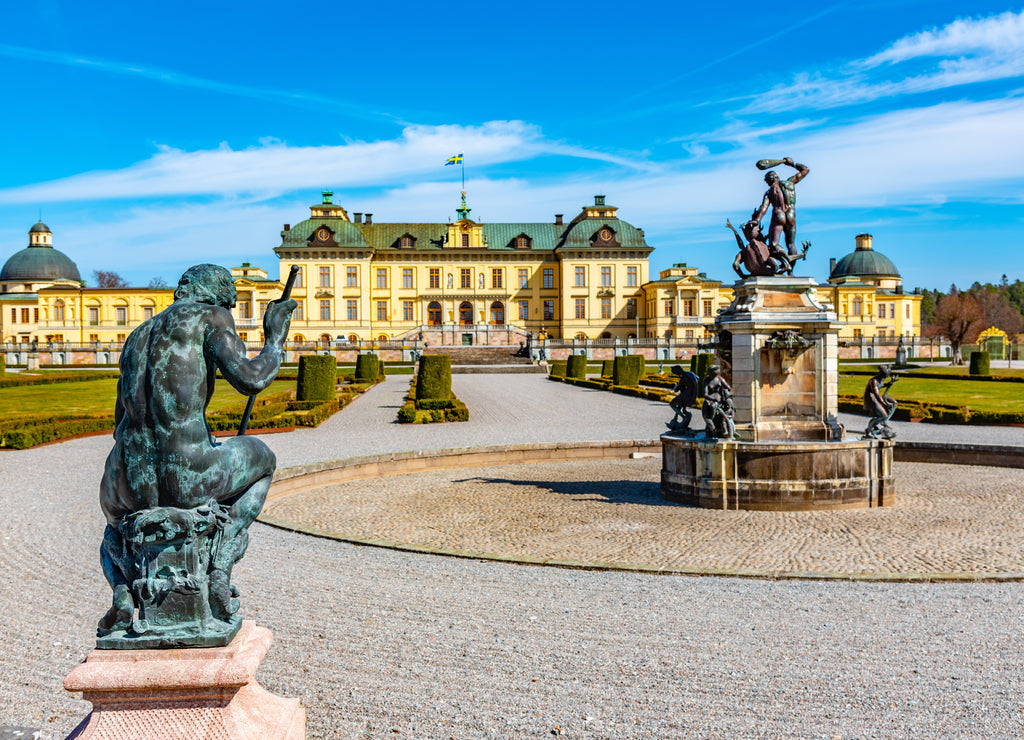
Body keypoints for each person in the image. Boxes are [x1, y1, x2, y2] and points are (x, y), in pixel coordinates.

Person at [98, 264, 296, 634]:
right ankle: (220, 567)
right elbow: (252, 379)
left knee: (114, 529)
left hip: (122, 484)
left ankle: (123, 595)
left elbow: (117, 423)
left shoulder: (138, 334)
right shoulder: (212, 317)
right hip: (188, 476)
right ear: (221, 296)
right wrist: (274, 339)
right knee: (265, 461)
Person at [754, 157, 809, 255]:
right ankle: (790, 270)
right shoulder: (790, 183)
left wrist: (757, 220)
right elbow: (805, 170)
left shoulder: (770, 192)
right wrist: (792, 163)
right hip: (791, 214)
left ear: (771, 179)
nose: (767, 184)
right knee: (791, 244)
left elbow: (764, 207)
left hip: (779, 214)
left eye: (767, 181)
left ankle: (785, 261)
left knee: (774, 244)